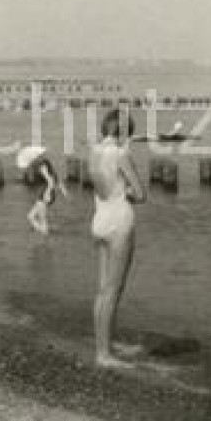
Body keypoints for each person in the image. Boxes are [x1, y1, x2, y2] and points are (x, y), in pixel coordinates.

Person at [89, 110, 146, 368]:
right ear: (123, 133)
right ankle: (104, 355)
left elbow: (103, 187)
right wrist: (131, 195)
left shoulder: (94, 151)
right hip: (118, 223)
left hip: (99, 221)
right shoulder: (121, 154)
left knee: (102, 291)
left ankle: (105, 345)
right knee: (113, 291)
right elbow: (141, 193)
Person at [25, 150, 66, 236]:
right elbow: (56, 179)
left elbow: (50, 181)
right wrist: (63, 191)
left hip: (45, 193)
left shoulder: (42, 167)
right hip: (47, 193)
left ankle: (45, 236)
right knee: (30, 216)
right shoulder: (46, 165)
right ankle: (44, 233)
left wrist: (47, 194)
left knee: (41, 219)